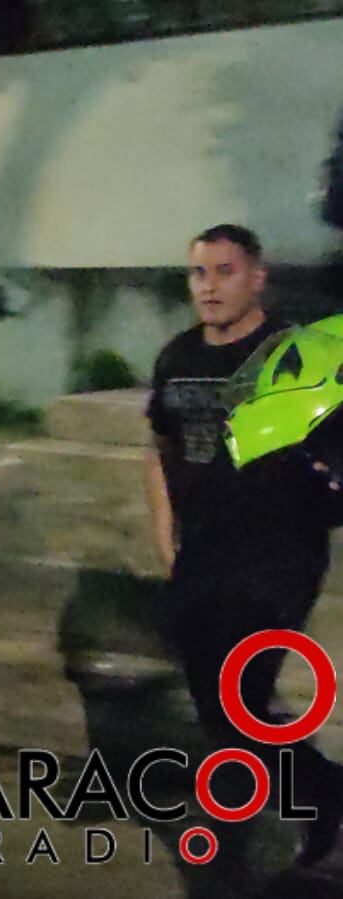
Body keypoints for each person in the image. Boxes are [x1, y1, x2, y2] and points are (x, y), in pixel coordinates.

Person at [146, 224, 343, 867]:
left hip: (277, 556)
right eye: (198, 273)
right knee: (218, 705)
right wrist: (165, 538)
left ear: (257, 278)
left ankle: (248, 836)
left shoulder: (294, 354)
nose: (208, 286)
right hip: (201, 555)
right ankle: (319, 790)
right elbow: (161, 449)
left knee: (239, 696)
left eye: (224, 272)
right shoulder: (177, 358)